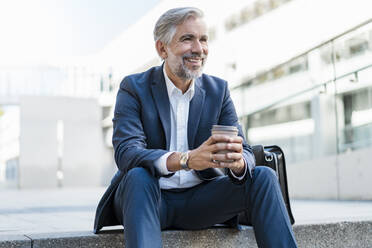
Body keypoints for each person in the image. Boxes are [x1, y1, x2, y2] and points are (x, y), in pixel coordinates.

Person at [94, 7, 298, 248]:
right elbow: (127, 153)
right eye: (187, 39)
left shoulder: (218, 90)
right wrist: (186, 160)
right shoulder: (133, 88)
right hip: (147, 200)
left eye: (203, 39)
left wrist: (238, 162)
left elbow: (244, 150)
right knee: (138, 175)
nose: (199, 49)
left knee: (264, 176)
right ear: (162, 48)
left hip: (200, 202)